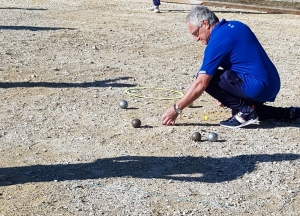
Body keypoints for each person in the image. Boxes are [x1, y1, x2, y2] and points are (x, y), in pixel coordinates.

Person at [162, 5, 300, 129]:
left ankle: (245, 112)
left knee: (206, 78)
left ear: (205, 24)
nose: (196, 39)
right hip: (272, 83)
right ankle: (288, 113)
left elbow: (201, 83)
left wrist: (176, 109)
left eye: (195, 33)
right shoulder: (237, 25)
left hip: (257, 87)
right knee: (242, 110)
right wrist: (228, 93)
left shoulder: (216, 41)